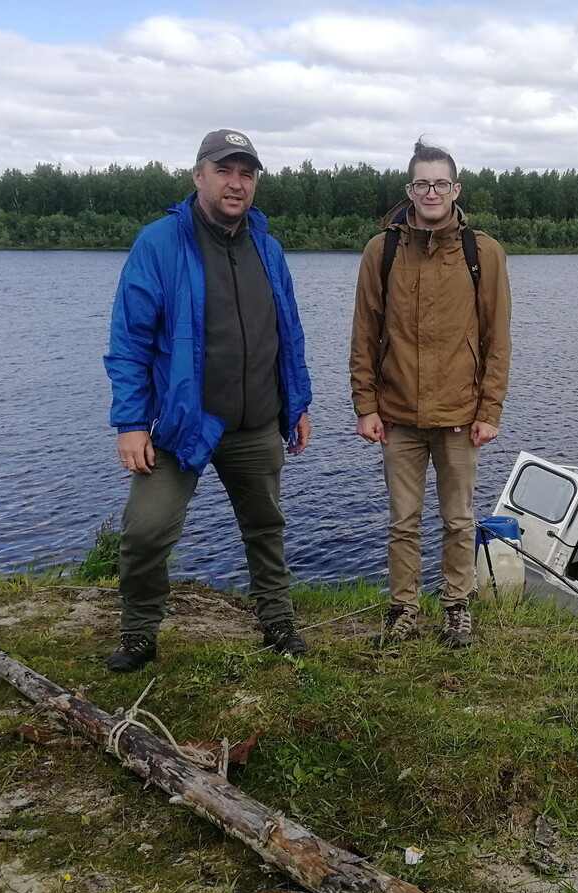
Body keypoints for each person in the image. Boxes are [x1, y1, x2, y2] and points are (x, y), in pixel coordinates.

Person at [103, 128, 313, 673]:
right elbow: (129, 341)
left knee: (265, 527)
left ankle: (278, 621)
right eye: (224, 170)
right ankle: (139, 632)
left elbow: (287, 333)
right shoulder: (159, 243)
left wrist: (297, 404)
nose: (235, 183)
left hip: (257, 421)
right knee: (146, 531)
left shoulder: (268, 248)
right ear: (199, 176)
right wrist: (131, 422)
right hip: (181, 425)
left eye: (246, 173)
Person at [349, 138, 512, 648]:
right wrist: (366, 406)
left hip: (461, 415)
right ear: (410, 190)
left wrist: (489, 410)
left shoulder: (482, 252)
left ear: (455, 189)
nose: (432, 192)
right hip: (398, 414)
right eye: (422, 183)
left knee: (459, 520)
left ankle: (456, 606)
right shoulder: (382, 251)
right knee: (403, 521)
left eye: (441, 183)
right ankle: (403, 609)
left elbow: (497, 339)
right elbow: (364, 335)